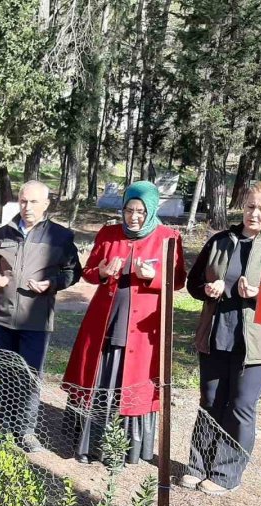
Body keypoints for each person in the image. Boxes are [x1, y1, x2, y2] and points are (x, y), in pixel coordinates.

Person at [63, 180, 186, 464]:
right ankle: (89, 444)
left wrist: (151, 278)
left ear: (152, 210)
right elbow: (90, 272)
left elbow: (178, 280)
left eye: (141, 211)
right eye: (129, 210)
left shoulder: (168, 237)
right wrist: (103, 271)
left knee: (132, 379)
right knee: (100, 376)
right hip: (105, 320)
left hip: (142, 328)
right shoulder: (109, 233)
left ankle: (124, 448)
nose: (134, 216)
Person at [181, 180, 261, 496]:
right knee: (210, 402)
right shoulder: (220, 241)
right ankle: (198, 465)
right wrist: (207, 290)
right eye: (250, 206)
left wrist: (260, 295)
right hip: (216, 334)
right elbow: (193, 283)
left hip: (257, 344)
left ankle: (226, 474)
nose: (254, 213)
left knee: (240, 406)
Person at [0, 181, 82, 451]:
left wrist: (52, 283)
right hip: (3, 316)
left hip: (36, 320)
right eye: (23, 201)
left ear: (46, 204)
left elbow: (73, 272)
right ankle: (4, 426)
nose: (27, 207)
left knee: (29, 377)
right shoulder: (5, 232)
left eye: (34, 202)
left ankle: (26, 431)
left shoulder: (60, 236)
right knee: (5, 374)